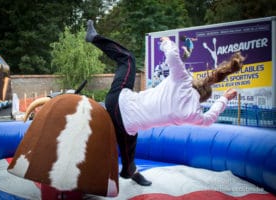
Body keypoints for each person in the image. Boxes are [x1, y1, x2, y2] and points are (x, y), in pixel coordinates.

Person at [85, 20, 244, 187]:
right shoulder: (195, 114)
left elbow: (173, 56)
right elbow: (210, 118)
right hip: (127, 124)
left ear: (197, 83)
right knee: (131, 136)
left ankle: (95, 38)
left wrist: (167, 43)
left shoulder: (183, 79)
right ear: (203, 99)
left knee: (128, 59)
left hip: (118, 102)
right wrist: (224, 98)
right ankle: (129, 170)